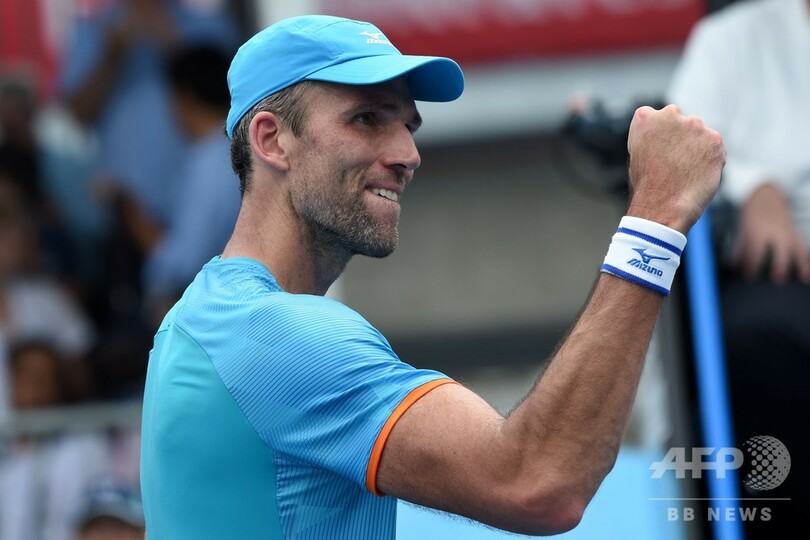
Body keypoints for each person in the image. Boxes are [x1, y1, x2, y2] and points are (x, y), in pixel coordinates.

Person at [140, 14, 725, 539]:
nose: (408, 154)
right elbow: (538, 480)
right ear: (271, 140)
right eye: (367, 119)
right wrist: (657, 215)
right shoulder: (279, 335)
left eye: (409, 126)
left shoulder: (199, 317)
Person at [667, 0, 810, 535]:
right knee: (758, 343)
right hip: (782, 272)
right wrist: (753, 186)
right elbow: (678, 153)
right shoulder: (731, 40)